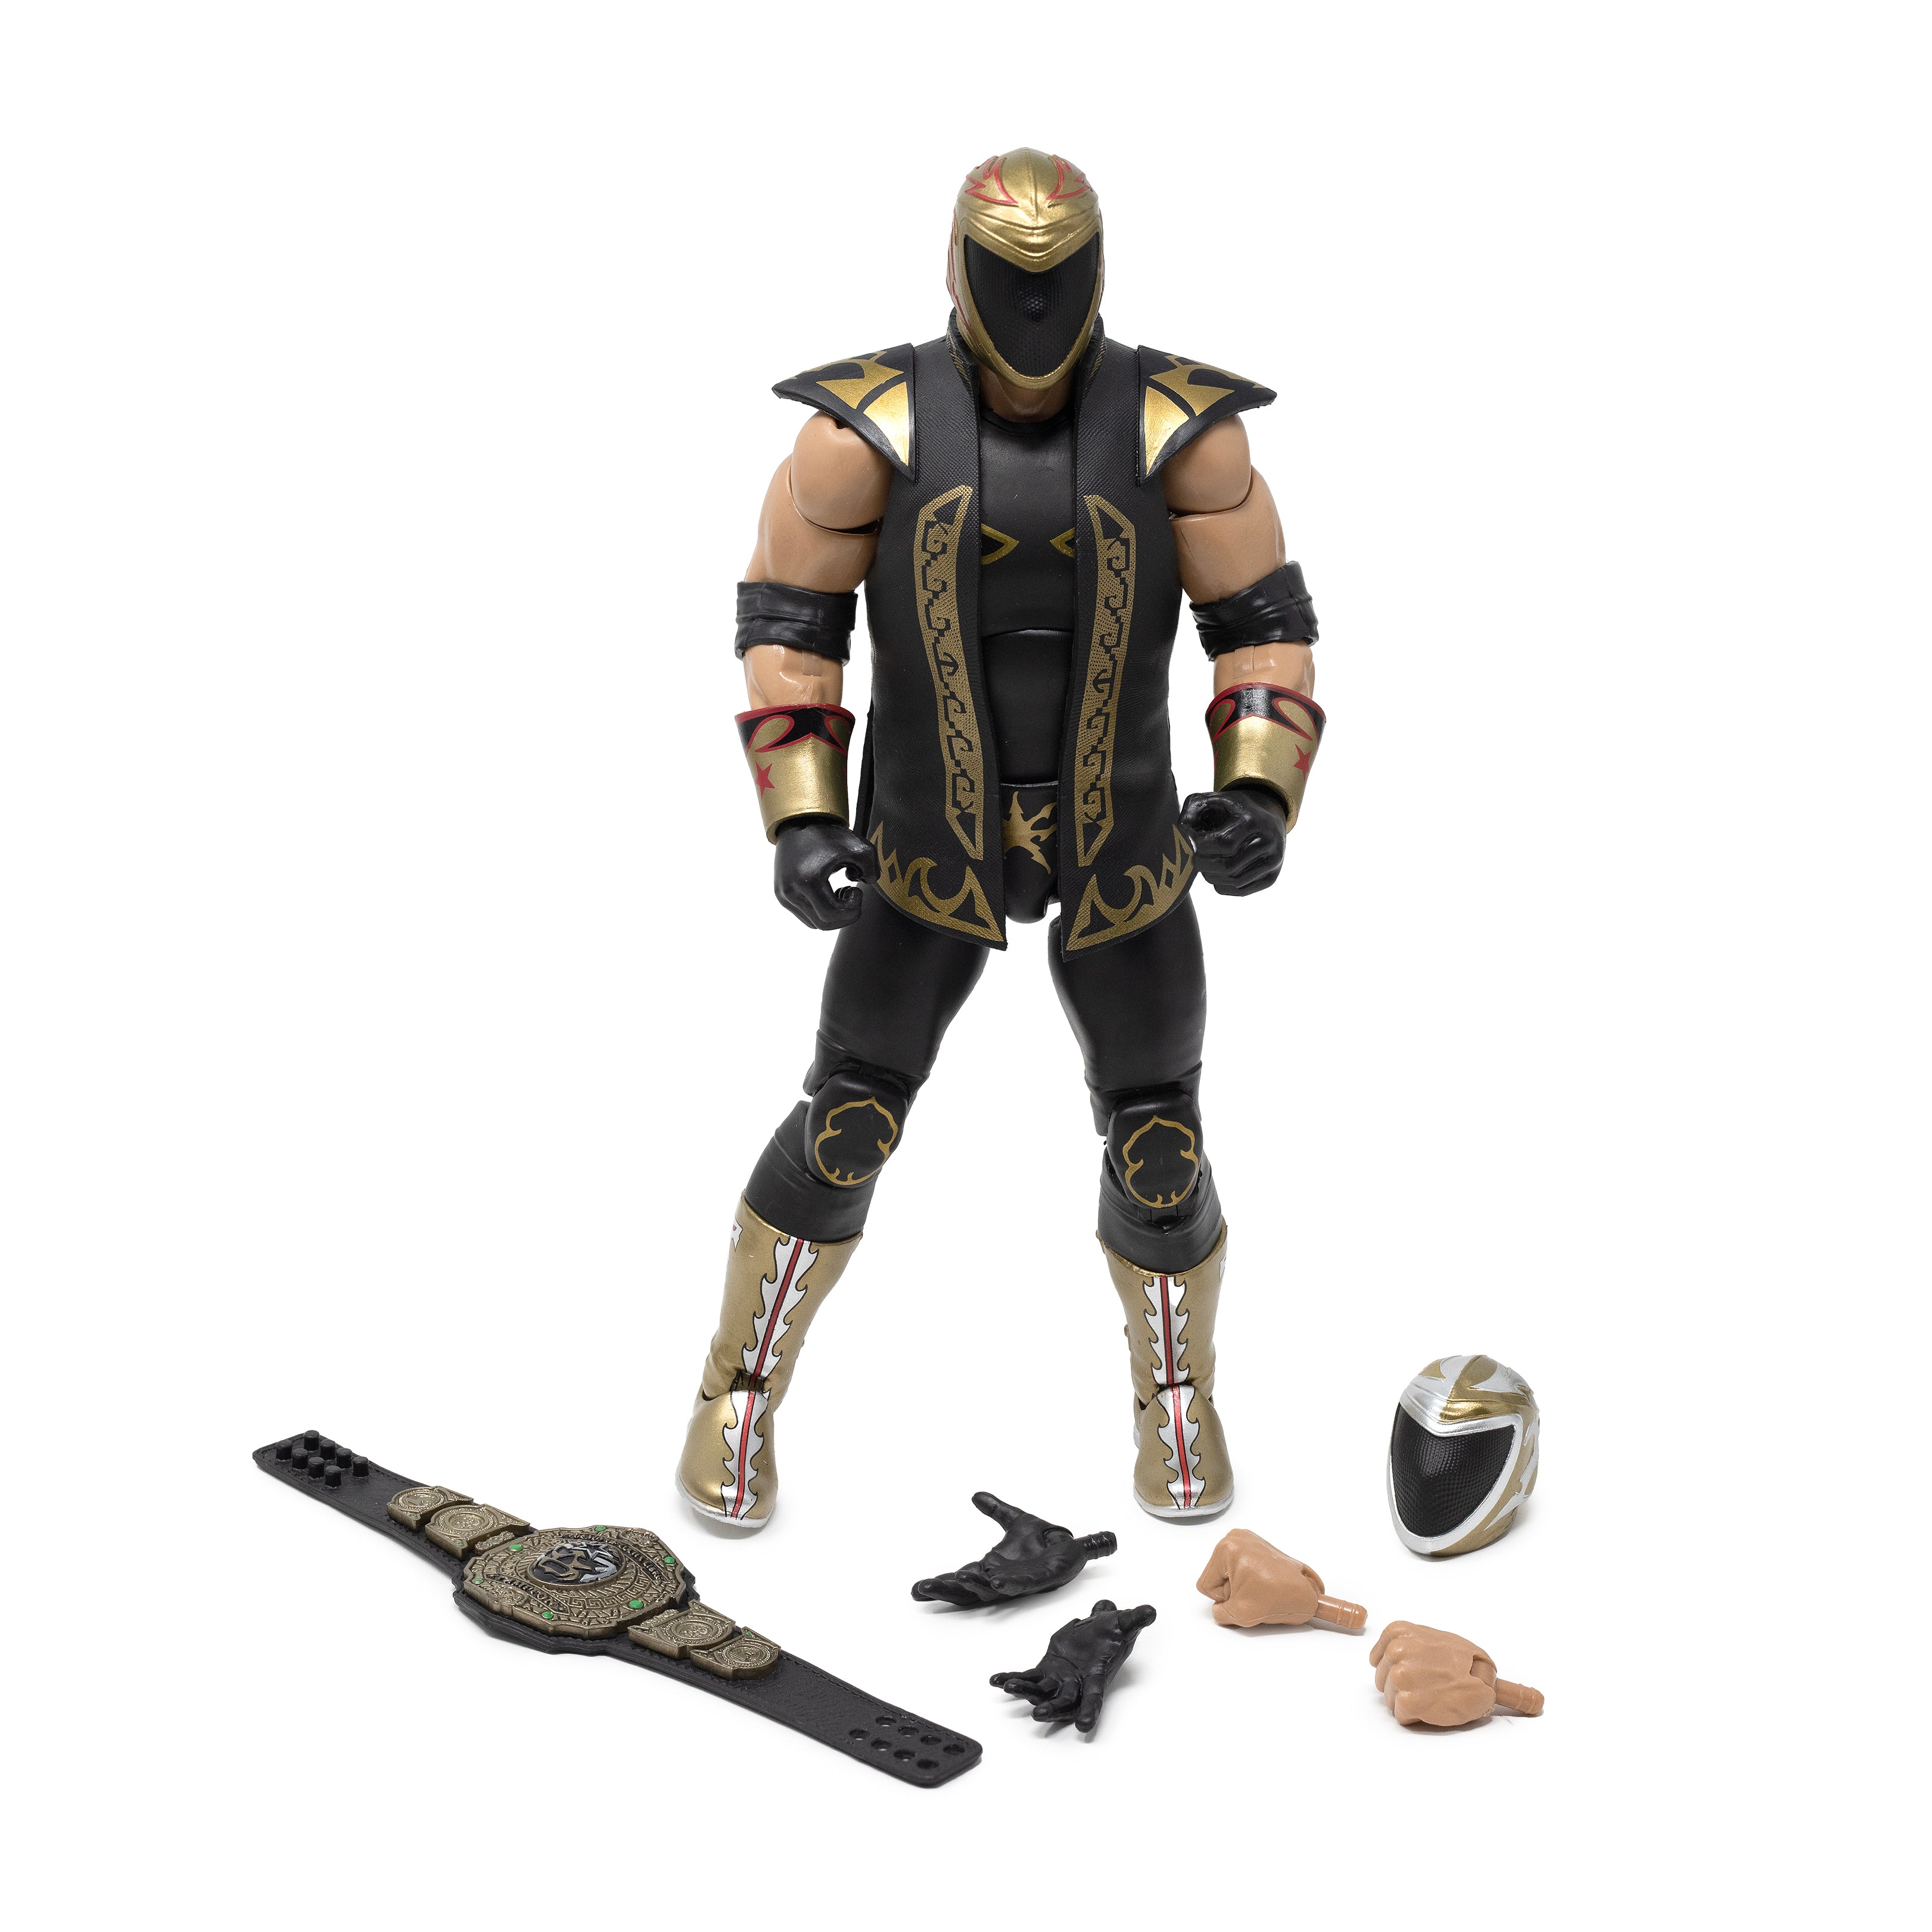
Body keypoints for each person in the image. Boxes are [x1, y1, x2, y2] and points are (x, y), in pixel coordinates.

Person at [676, 148, 1324, 1529]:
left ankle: (1174, 1401)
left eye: (1060, 282)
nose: (1035, 315)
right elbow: (790, 623)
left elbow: (1259, 624)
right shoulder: (860, 433)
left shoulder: (1183, 431)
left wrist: (1258, 791)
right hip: (924, 840)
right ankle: (735, 1393)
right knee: (846, 1119)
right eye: (1008, 283)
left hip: (1125, 839)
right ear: (957, 272)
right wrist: (801, 818)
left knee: (1158, 1141)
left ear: (1098, 271)